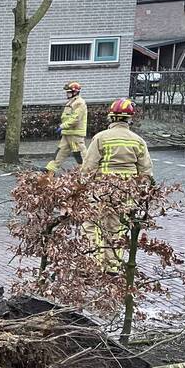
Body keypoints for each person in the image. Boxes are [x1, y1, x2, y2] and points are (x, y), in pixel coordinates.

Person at [80, 98, 153, 272]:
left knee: (93, 225)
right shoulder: (138, 141)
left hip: (103, 189)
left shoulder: (101, 138)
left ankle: (94, 263)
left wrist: (82, 186)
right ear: (130, 119)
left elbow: (89, 166)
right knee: (117, 227)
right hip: (126, 191)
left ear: (111, 118)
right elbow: (146, 170)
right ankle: (113, 266)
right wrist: (143, 192)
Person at [45, 81, 88, 174]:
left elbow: (75, 118)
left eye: (68, 92)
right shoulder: (71, 102)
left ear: (75, 92)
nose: (67, 94)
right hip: (68, 133)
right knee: (60, 152)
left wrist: (62, 126)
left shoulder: (79, 103)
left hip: (75, 134)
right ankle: (50, 171)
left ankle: (86, 173)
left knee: (79, 154)